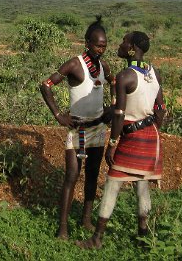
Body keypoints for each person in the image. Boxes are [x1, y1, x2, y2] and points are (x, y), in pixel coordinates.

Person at [78, 30, 165, 249]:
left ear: (133, 48)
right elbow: (161, 109)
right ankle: (143, 236)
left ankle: (97, 238)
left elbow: (119, 114)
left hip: (131, 136)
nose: (120, 44)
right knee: (142, 184)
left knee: (113, 183)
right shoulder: (154, 73)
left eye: (125, 42)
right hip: (150, 135)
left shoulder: (125, 76)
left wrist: (113, 144)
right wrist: (153, 131)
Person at [40, 16, 113, 238]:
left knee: (92, 176)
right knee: (72, 175)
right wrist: (58, 114)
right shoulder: (74, 64)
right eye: (97, 44)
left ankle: (86, 220)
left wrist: (114, 107)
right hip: (77, 129)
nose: (101, 49)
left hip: (98, 128)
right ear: (87, 43)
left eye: (104, 45)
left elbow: (115, 84)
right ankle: (63, 227)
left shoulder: (104, 67)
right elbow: (46, 85)